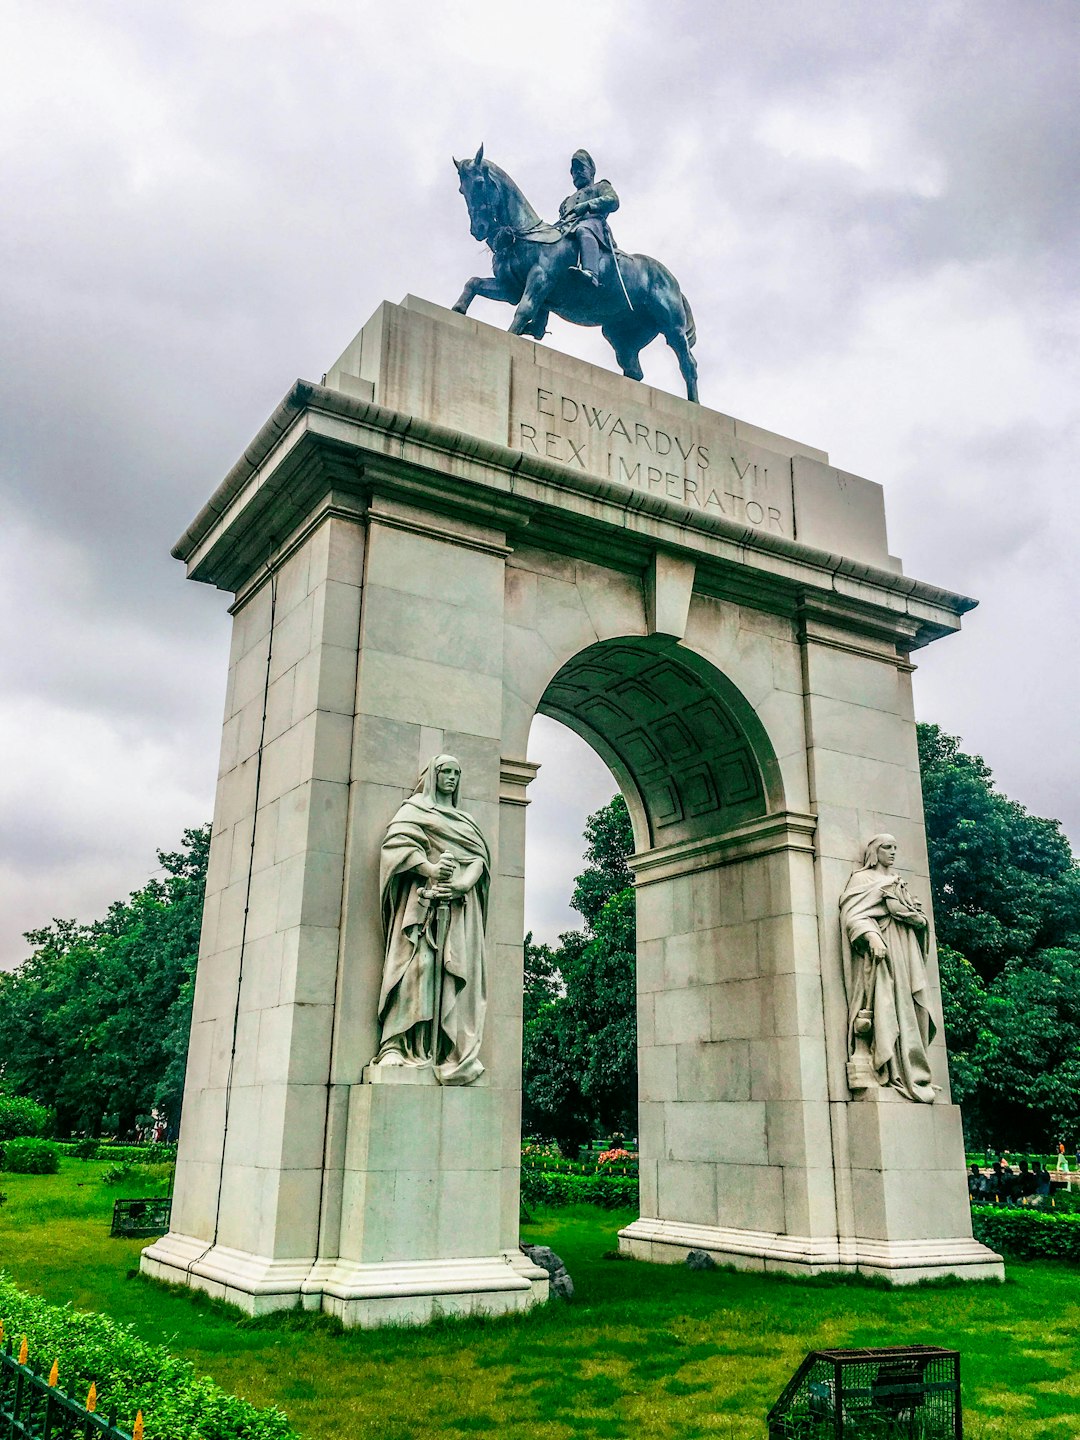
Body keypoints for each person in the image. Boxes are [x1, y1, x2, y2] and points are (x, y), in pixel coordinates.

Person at [371, 755, 491, 1085]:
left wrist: (463, 883)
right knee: (416, 968)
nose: (451, 778)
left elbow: (479, 858)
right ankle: (396, 1045)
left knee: (450, 977)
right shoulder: (413, 811)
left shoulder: (466, 820)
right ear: (433, 776)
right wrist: (430, 870)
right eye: (445, 772)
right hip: (420, 905)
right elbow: (395, 847)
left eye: (456, 772)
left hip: (459, 910)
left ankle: (446, 1050)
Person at [839, 834, 937, 1103]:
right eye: (887, 847)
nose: (892, 852)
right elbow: (852, 915)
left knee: (910, 1008)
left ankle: (913, 1073)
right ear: (874, 851)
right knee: (887, 1006)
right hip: (883, 954)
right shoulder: (862, 880)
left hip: (905, 951)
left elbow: (915, 916)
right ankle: (889, 1067)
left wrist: (918, 919)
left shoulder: (898, 882)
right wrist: (871, 935)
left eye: (895, 847)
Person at [556, 149, 619, 286]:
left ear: (591, 171)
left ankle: (591, 273)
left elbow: (613, 200)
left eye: (581, 168)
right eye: (574, 170)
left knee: (583, 229)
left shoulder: (601, 186)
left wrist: (588, 205)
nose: (577, 172)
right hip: (568, 229)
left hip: (594, 225)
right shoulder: (566, 201)